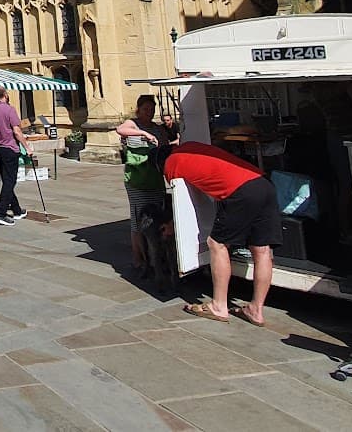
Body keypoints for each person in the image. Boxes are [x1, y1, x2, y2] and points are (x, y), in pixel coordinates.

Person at [164, 141, 281, 326]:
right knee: (262, 249)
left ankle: (218, 306)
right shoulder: (190, 146)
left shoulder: (170, 163)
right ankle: (256, 310)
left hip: (240, 191)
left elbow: (180, 201)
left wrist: (171, 225)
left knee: (217, 244)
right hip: (263, 183)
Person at [116, 94, 175, 275]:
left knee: (156, 219)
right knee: (138, 221)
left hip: (155, 180)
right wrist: (143, 133)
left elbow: (165, 147)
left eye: (151, 109)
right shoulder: (133, 124)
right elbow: (120, 129)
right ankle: (139, 259)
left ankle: (156, 257)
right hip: (136, 181)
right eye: (145, 109)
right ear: (138, 110)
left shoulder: (158, 128)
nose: (149, 112)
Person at [0, 87, 31, 226]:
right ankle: (0, 213)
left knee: (7, 180)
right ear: (5, 95)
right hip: (10, 148)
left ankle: (17, 210)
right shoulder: (9, 109)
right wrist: (27, 147)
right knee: (10, 181)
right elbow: (17, 131)